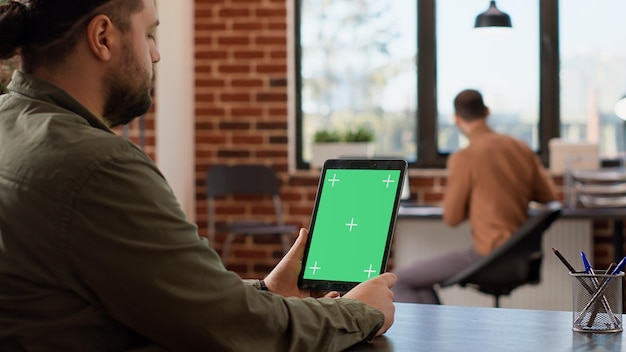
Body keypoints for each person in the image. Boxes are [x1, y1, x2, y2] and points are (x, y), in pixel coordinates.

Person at [0, 0, 396, 350]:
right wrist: (358, 312)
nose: (155, 55)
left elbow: (137, 296)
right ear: (103, 37)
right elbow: (239, 332)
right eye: (149, 34)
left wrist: (267, 290)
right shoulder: (99, 167)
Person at [392, 89, 556, 304]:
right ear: (486, 112)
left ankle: (433, 337)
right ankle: (436, 335)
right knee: (419, 286)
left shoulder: (465, 157)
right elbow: (548, 196)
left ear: (457, 119)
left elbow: (452, 218)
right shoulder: (520, 147)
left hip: (488, 256)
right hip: (521, 257)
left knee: (398, 281)